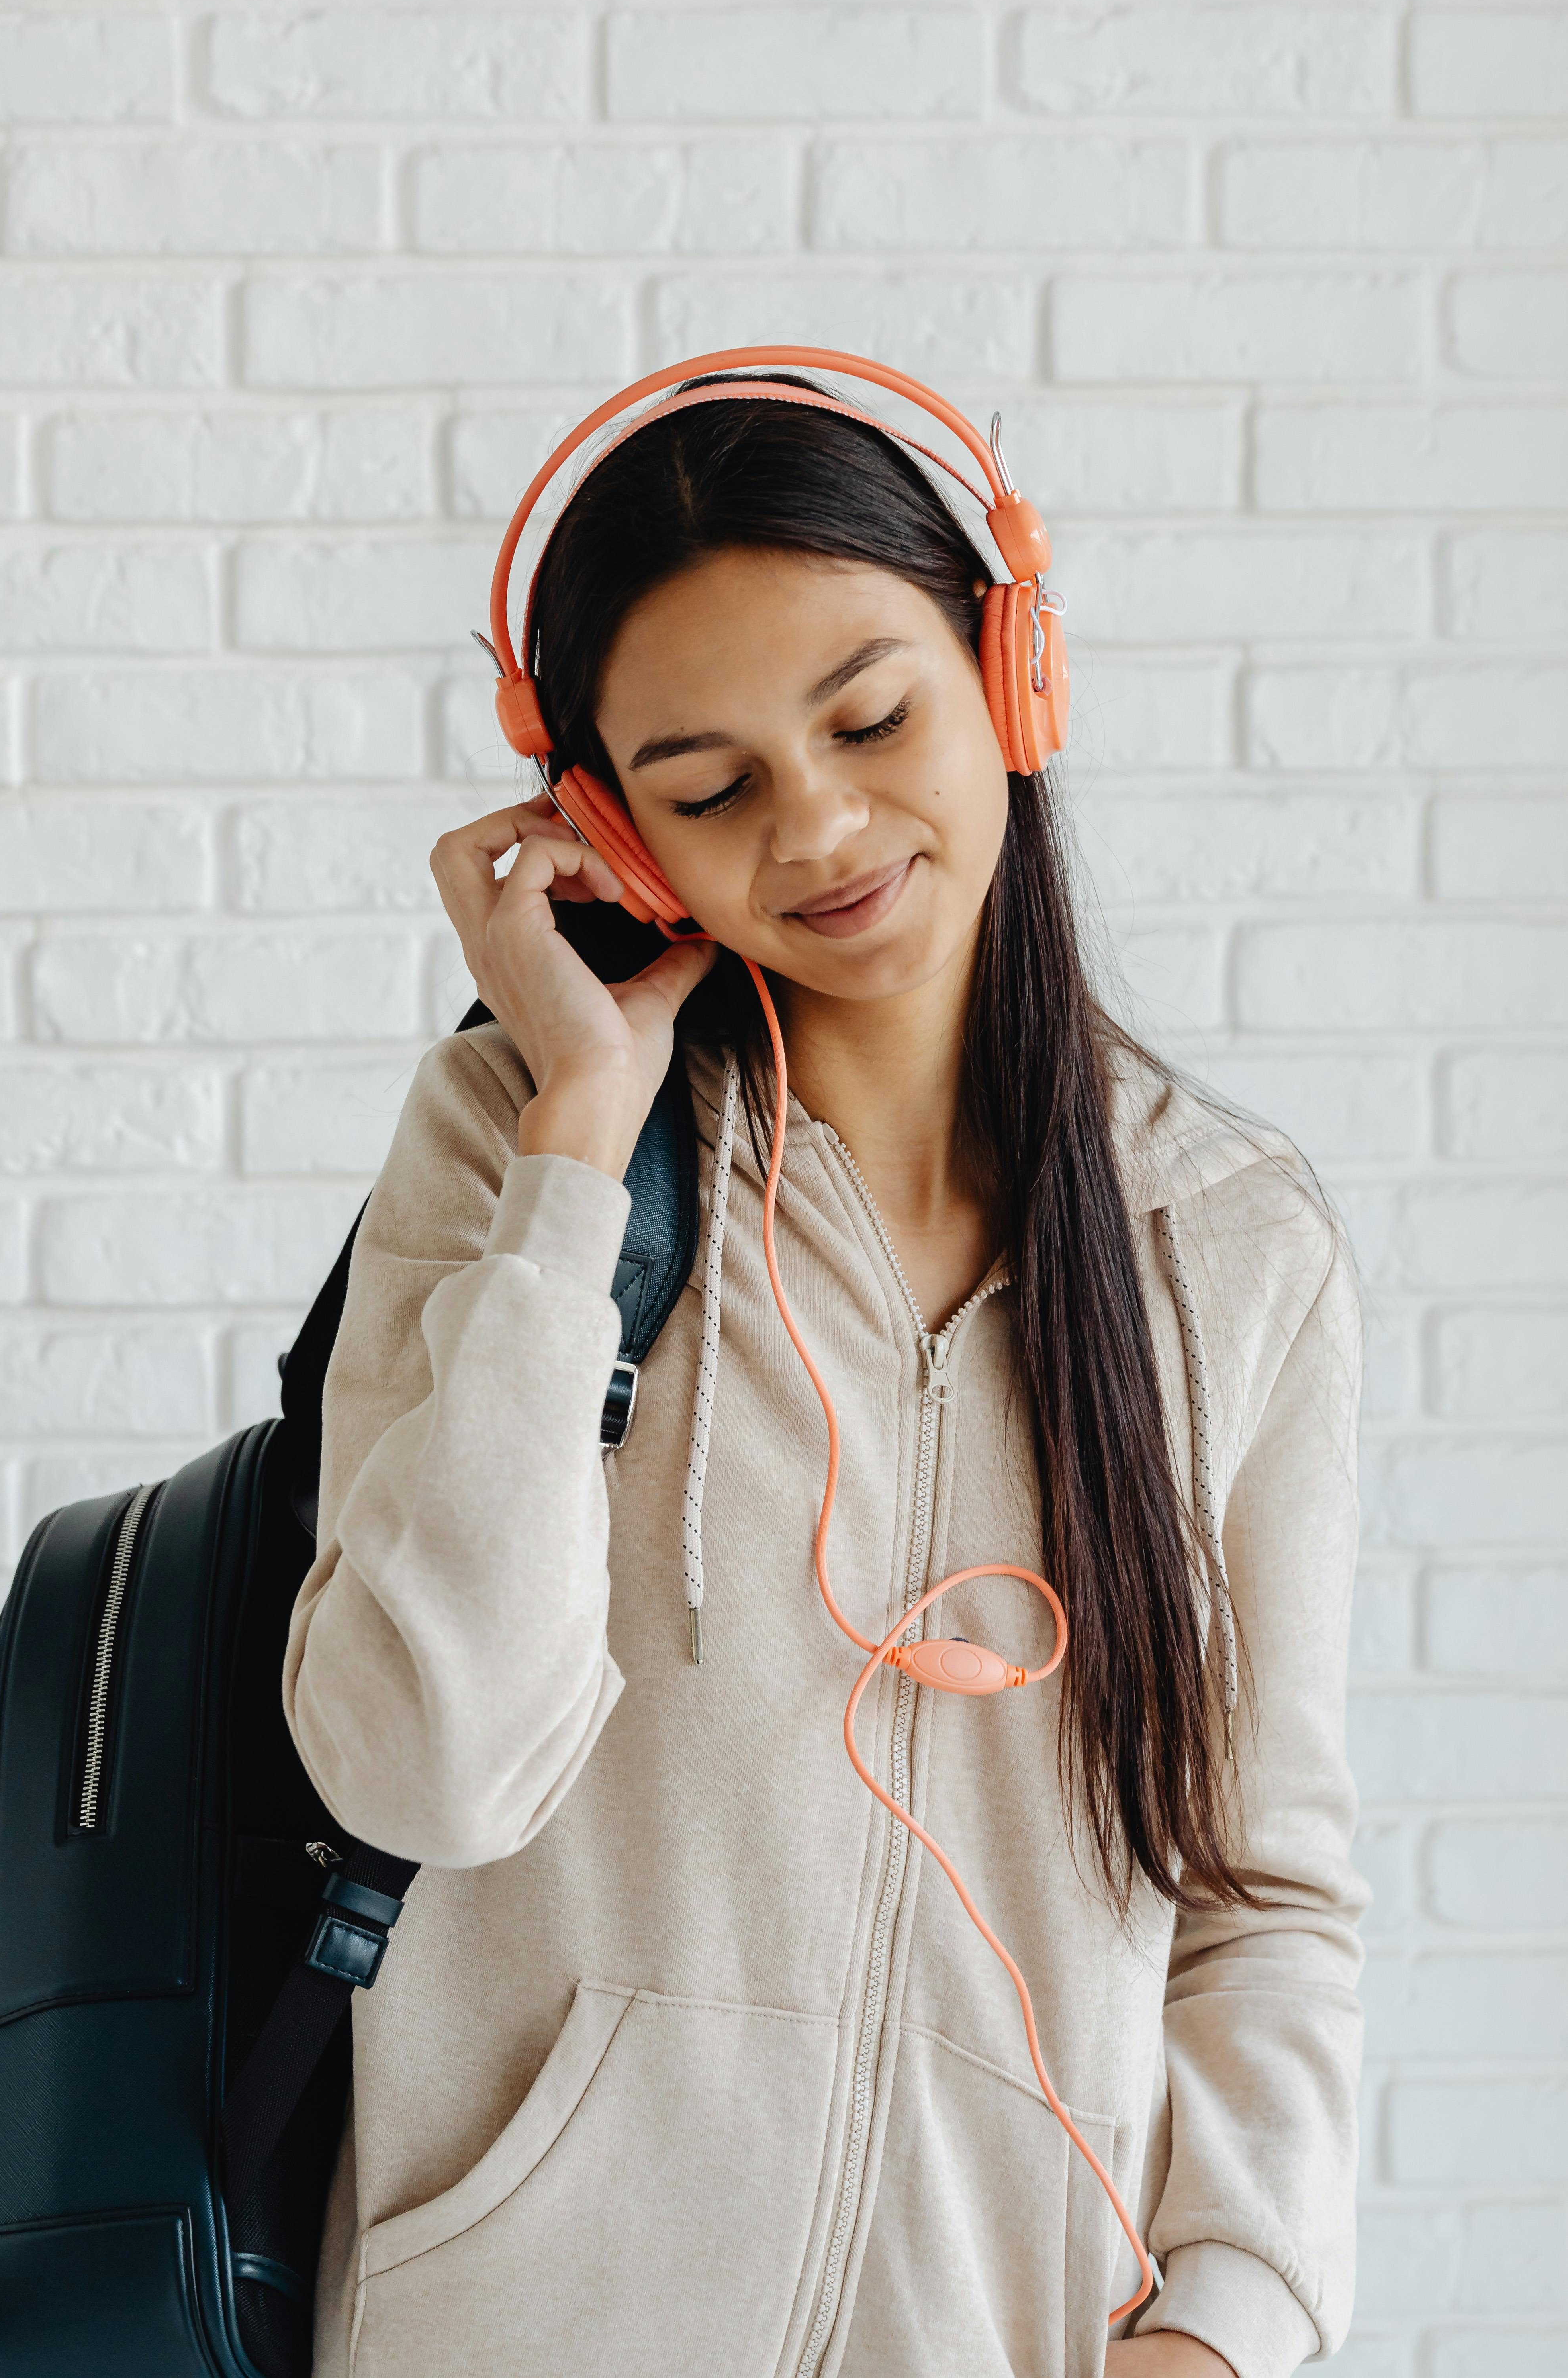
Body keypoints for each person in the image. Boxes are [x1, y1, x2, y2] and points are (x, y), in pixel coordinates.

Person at [283, 371, 1364, 2378]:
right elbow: (416, 1763)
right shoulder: (515, 1150)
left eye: (869, 718)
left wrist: (1222, 2323)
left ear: (1006, 668)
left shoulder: (1231, 1246)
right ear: (605, 821)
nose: (825, 828)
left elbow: (1262, 1889)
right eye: (706, 787)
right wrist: (573, 1132)